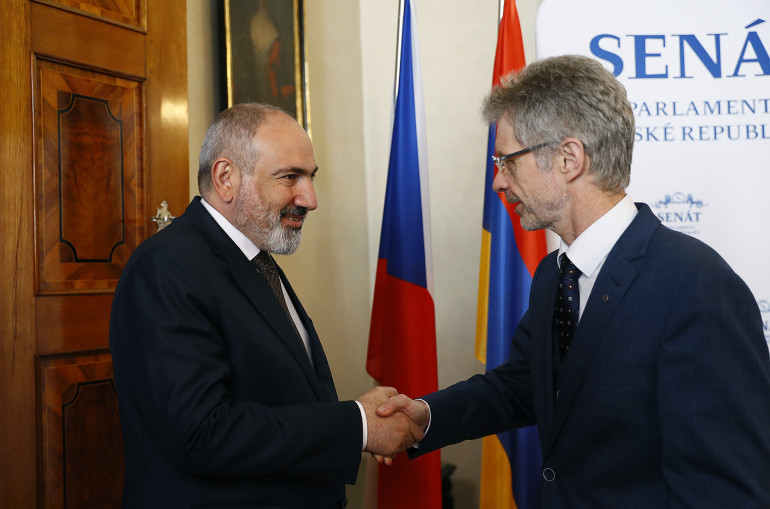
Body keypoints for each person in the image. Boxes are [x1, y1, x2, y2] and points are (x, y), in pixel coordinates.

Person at [379, 55, 770, 507]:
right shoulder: (555, 275)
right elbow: (528, 384)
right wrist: (424, 417)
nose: (498, 182)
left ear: (568, 159)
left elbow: (729, 488)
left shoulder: (698, 288)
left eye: (507, 161)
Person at [109, 103, 420, 508]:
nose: (310, 198)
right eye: (290, 177)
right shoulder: (166, 267)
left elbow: (283, 395)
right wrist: (357, 425)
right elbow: (201, 434)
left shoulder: (254, 258)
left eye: (310, 177)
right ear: (226, 178)